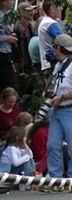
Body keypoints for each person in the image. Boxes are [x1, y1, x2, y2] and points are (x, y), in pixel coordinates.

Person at [45, 33, 72, 180]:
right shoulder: (58, 65)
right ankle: (55, 178)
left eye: (55, 47)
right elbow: (57, 86)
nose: (53, 51)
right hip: (57, 110)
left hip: (69, 109)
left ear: (59, 48)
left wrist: (61, 97)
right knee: (52, 145)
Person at [38, 2, 64, 74]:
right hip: (52, 64)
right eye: (59, 6)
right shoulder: (50, 23)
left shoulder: (46, 21)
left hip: (48, 64)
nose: (61, 9)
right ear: (51, 8)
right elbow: (64, 42)